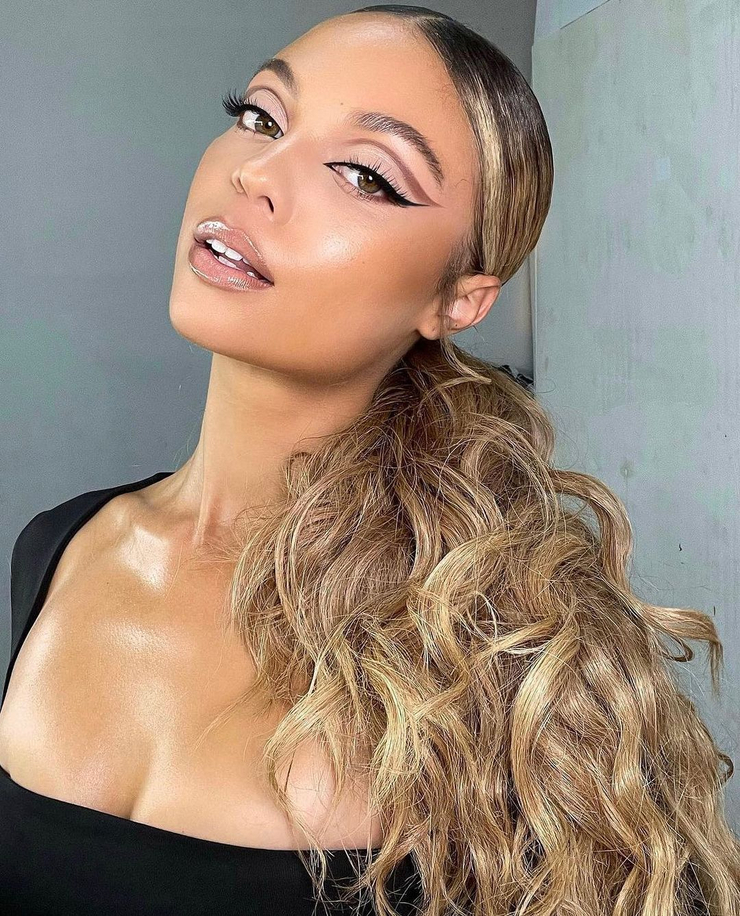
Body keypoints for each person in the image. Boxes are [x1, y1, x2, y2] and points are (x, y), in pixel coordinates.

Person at [1, 4, 737, 915]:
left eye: (365, 175)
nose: (257, 173)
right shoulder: (56, 548)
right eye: (261, 116)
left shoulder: (499, 647)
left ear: (459, 299)